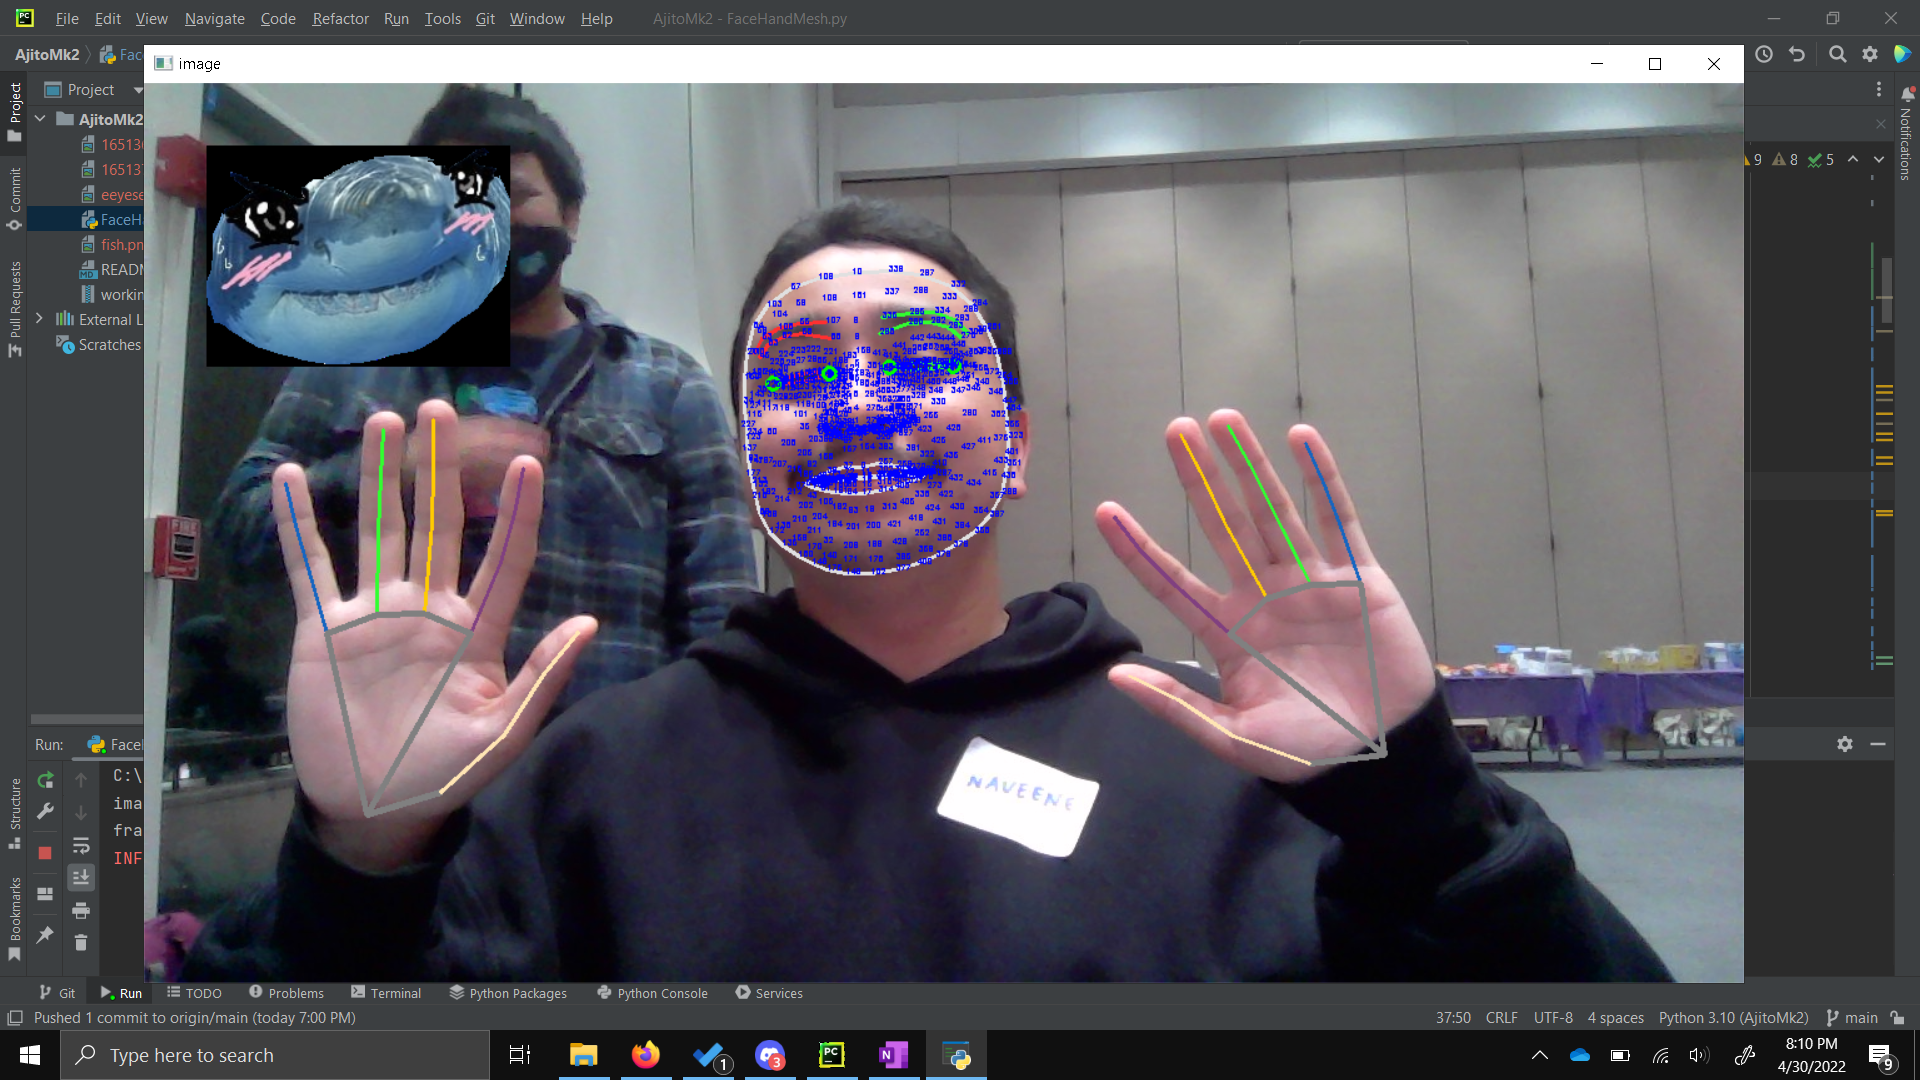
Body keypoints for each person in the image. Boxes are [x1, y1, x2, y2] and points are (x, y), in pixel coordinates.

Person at [182, 198, 1672, 981]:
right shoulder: (592, 783)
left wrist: (1419, 806)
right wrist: (362, 863)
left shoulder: (1243, 765)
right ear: (742, 448)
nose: (858, 411)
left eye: (917, 368)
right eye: (799, 379)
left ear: (1015, 445)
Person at [207, 86, 758, 714]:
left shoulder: (670, 386)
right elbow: (238, 532)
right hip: (386, 757)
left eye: (516, 195)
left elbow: (721, 615)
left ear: (571, 215)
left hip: (608, 766)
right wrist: (393, 472)